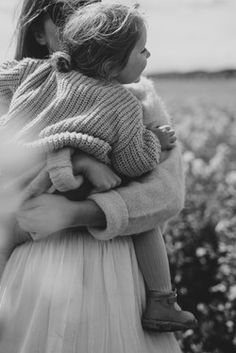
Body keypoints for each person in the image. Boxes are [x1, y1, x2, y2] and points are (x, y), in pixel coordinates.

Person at [0, 0, 189, 352]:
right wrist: (153, 145)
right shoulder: (28, 85)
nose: (82, 23)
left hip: (116, 270)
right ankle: (163, 298)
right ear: (38, 32)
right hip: (36, 269)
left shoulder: (139, 97)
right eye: (66, 15)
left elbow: (166, 194)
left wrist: (76, 212)